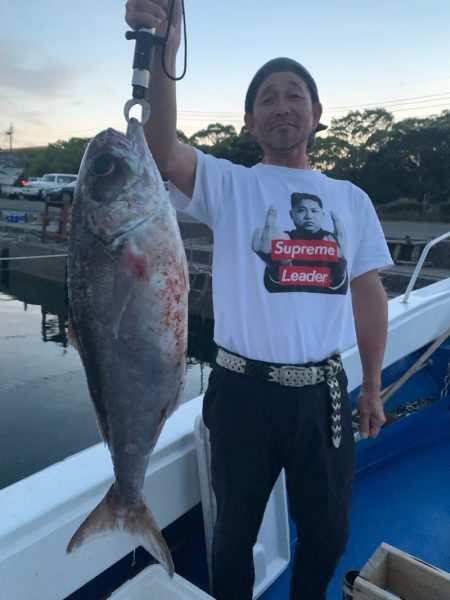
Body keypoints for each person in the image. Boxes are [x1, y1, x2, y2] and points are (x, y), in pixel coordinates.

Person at [125, 3, 393, 599]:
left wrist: (370, 384)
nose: (281, 106)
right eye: (267, 98)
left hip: (323, 393)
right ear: (250, 121)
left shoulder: (350, 198)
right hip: (241, 392)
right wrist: (165, 47)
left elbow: (368, 292)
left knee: (327, 534)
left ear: (316, 113)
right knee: (232, 537)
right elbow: (164, 149)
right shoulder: (233, 185)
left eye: (293, 94)